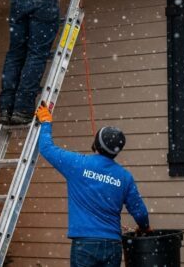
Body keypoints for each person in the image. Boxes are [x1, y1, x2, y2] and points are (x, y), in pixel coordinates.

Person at [35, 103, 150, 267]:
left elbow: (46, 148)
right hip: (112, 245)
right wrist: (145, 227)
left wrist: (46, 121)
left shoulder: (77, 165)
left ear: (96, 143)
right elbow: (139, 211)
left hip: (85, 245)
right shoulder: (124, 177)